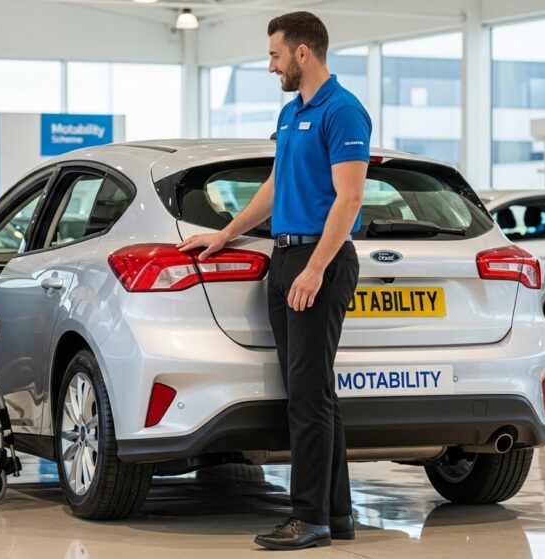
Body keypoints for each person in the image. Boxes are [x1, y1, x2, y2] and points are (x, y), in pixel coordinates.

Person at [178, 11, 370, 551]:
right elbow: (273, 184)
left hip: (319, 260)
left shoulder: (344, 112)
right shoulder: (290, 115)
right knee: (314, 394)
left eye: (275, 55)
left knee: (307, 400)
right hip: (284, 258)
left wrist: (315, 268)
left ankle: (307, 518)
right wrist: (226, 233)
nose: (271, 66)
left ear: (303, 53)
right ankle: (337, 513)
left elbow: (349, 198)